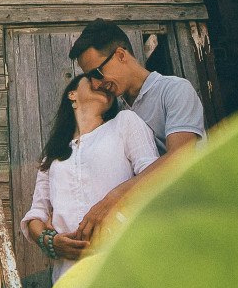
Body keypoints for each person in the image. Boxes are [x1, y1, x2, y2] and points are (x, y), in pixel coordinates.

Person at [68, 19, 206, 241]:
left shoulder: (174, 90)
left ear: (121, 55)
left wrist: (113, 198)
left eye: (98, 73)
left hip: (189, 223)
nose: (95, 84)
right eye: (89, 78)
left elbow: (181, 157)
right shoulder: (115, 112)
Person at [21, 71, 159, 281]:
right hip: (68, 275)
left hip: (123, 262)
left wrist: (111, 204)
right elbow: (36, 214)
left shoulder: (124, 123)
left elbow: (155, 177)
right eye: (93, 79)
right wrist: (51, 241)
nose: (102, 83)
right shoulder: (53, 155)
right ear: (72, 94)